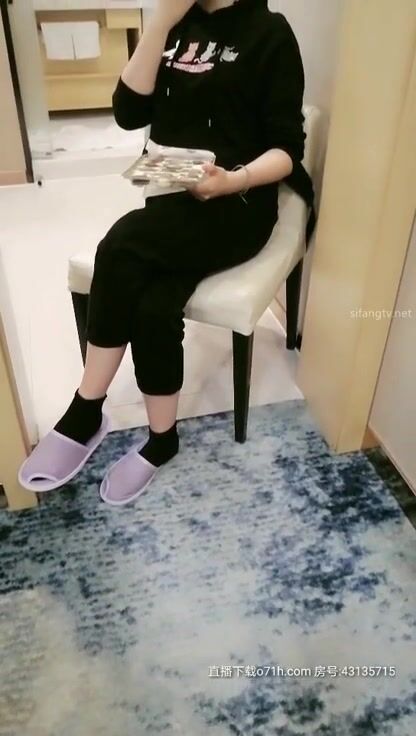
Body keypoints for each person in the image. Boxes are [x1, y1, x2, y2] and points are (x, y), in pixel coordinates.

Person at [19, 0, 314, 506]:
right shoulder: (176, 25)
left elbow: (288, 149)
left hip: (238, 202)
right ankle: (162, 440)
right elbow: (128, 112)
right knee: (155, 303)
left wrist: (233, 181)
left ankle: (86, 409)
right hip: (173, 193)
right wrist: (159, 21)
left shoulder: (269, 32)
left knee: (120, 245)